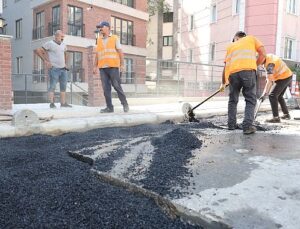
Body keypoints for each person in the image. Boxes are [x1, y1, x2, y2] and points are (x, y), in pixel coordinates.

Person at [220, 31, 266, 134]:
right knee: (250, 99)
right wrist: (255, 64)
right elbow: (263, 54)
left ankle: (231, 125)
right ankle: (247, 126)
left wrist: (224, 82)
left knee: (232, 100)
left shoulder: (230, 46)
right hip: (248, 72)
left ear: (236, 38)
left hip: (233, 74)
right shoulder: (251, 39)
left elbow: (226, 66)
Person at [93, 21, 129, 113]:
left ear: (108, 28)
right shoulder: (99, 39)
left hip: (113, 66)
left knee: (116, 86)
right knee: (106, 88)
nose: (100, 29)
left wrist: (122, 65)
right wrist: (94, 66)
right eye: (99, 27)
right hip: (102, 68)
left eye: (102, 27)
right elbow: (97, 54)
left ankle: (125, 104)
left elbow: (120, 52)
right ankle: (109, 107)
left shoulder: (114, 38)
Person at [35, 30, 72, 108]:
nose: (62, 38)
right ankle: (52, 103)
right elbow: (38, 50)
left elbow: (66, 53)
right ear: (56, 36)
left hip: (63, 69)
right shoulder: (50, 44)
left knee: (63, 86)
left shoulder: (63, 45)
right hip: (54, 69)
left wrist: (65, 63)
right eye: (61, 36)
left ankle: (63, 103)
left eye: (63, 36)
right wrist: (45, 61)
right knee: (52, 86)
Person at [259, 54, 293, 122]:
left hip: (283, 77)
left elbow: (270, 82)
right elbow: (269, 78)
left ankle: (276, 117)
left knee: (272, 95)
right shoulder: (268, 57)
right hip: (287, 75)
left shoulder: (269, 65)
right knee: (279, 96)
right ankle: (286, 114)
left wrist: (264, 94)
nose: (258, 63)